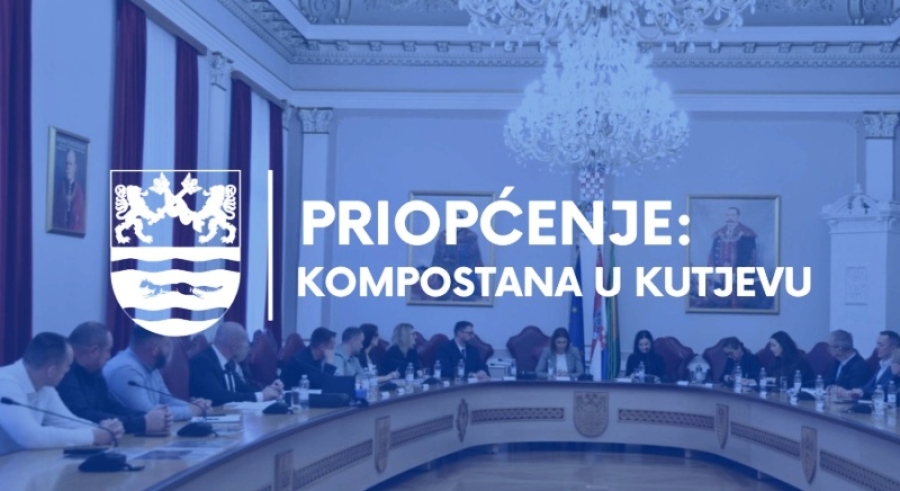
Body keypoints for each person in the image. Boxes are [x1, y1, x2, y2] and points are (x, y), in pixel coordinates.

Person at [0, 333, 122, 455]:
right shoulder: (5, 383)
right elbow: (30, 437)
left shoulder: (45, 386)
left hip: (19, 461)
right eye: (67, 366)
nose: (68, 370)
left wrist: (103, 429)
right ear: (51, 371)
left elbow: (66, 421)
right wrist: (94, 436)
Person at [57, 322, 171, 434]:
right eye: (108, 350)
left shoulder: (94, 373)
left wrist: (147, 416)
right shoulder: (65, 374)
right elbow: (84, 416)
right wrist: (143, 422)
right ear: (93, 351)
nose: (109, 357)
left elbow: (111, 406)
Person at [104, 326, 211, 421]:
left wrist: (195, 406)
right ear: (154, 349)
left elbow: (167, 400)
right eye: (167, 345)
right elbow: (149, 413)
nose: (170, 350)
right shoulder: (126, 371)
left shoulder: (151, 366)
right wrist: (191, 411)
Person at [189, 322, 283, 406]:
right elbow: (218, 396)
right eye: (246, 346)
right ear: (235, 346)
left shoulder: (228, 363)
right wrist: (261, 396)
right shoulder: (201, 363)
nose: (248, 350)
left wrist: (270, 390)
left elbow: (243, 388)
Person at [837, 330, 900, 399]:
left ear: (893, 348)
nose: (877, 348)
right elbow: (869, 387)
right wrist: (854, 391)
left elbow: (885, 391)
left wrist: (861, 393)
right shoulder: (881, 365)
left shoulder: (895, 368)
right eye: (877, 344)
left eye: (881, 345)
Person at [52, 149, 85, 233]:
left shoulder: (79, 193)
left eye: (70, 164)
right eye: (66, 164)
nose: (68, 167)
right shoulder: (59, 189)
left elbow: (80, 222)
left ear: (75, 167)